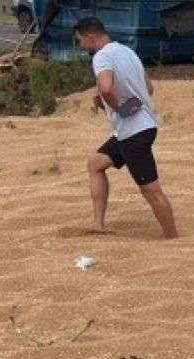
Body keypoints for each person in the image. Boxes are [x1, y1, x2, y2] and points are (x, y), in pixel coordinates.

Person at [73, 16, 179, 239]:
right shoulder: (128, 52)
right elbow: (148, 89)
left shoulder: (101, 56)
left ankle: (172, 237)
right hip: (137, 128)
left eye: (80, 41)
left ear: (90, 37)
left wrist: (118, 108)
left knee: (150, 190)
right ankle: (98, 225)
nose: (81, 46)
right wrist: (117, 105)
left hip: (134, 133)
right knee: (95, 164)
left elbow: (106, 87)